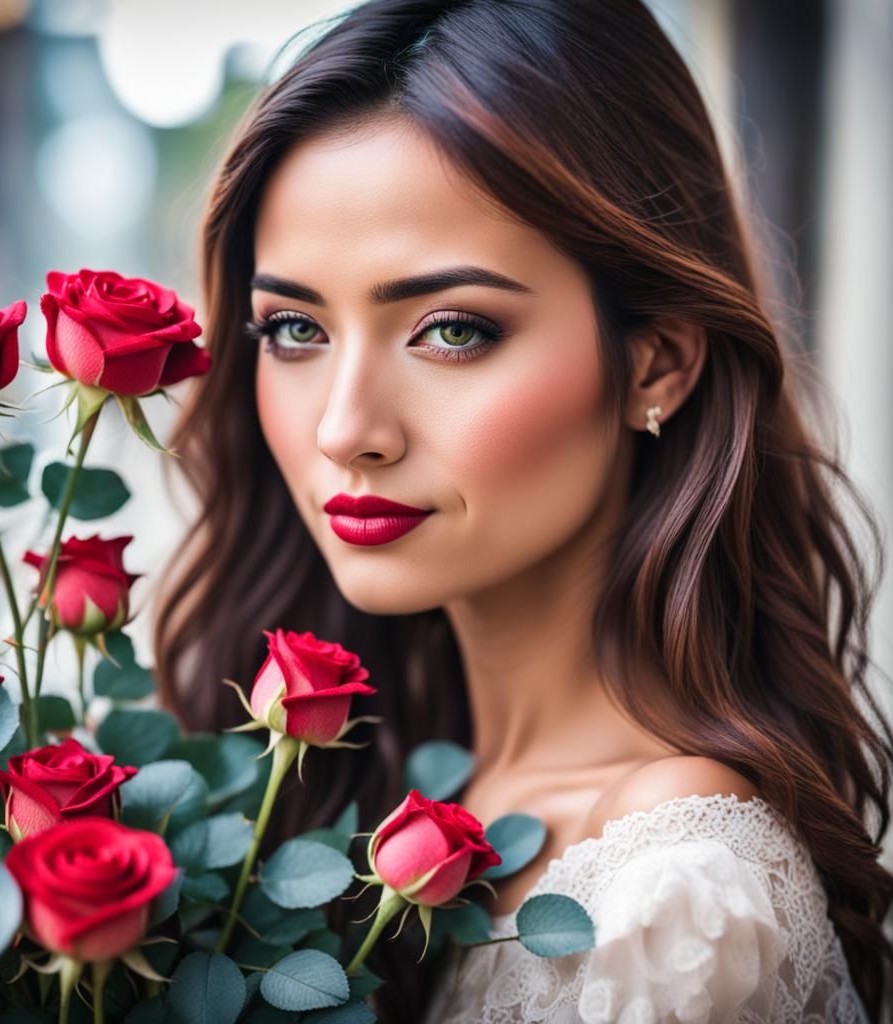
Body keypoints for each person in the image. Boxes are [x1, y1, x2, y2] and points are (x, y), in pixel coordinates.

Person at [153, 0, 893, 1020]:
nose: (344, 428)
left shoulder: (674, 894)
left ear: (656, 362)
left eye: (452, 330)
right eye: (293, 328)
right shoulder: (343, 795)